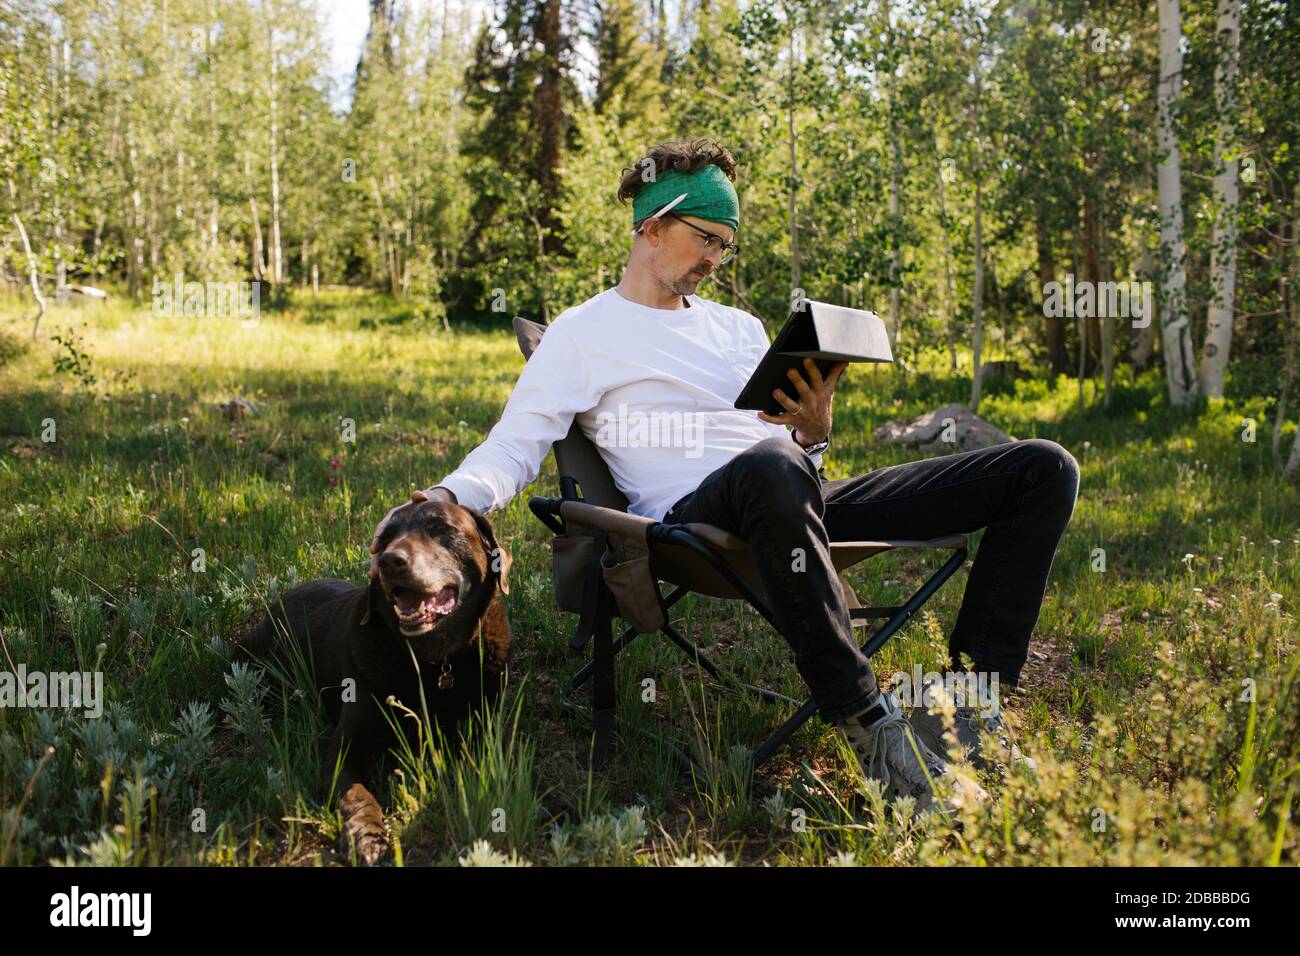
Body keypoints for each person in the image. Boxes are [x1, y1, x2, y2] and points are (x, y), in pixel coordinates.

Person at [370, 138, 1079, 818]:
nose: (717, 257)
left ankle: (968, 705)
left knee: (1043, 468)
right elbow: (516, 445)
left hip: (793, 502)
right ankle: (873, 729)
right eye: (706, 238)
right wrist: (447, 498)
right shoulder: (582, 334)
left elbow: (791, 460)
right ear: (653, 225)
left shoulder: (739, 328)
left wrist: (813, 431)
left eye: (726, 245)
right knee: (769, 468)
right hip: (695, 525)